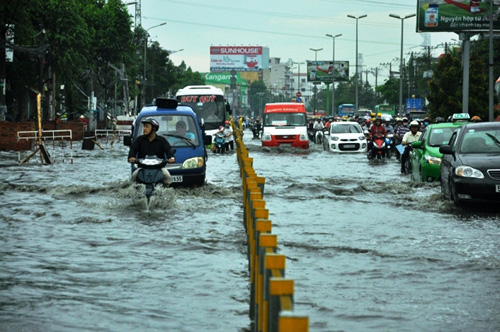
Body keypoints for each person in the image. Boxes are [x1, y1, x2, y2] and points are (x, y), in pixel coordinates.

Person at [128, 118, 175, 187]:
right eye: (144, 126)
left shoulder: (161, 140)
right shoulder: (139, 140)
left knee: (168, 177)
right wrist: (131, 157)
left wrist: (171, 157)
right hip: (142, 168)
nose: (144, 129)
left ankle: (165, 191)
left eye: (147, 127)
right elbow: (133, 149)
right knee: (133, 177)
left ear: (153, 129)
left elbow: (168, 149)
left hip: (159, 168)